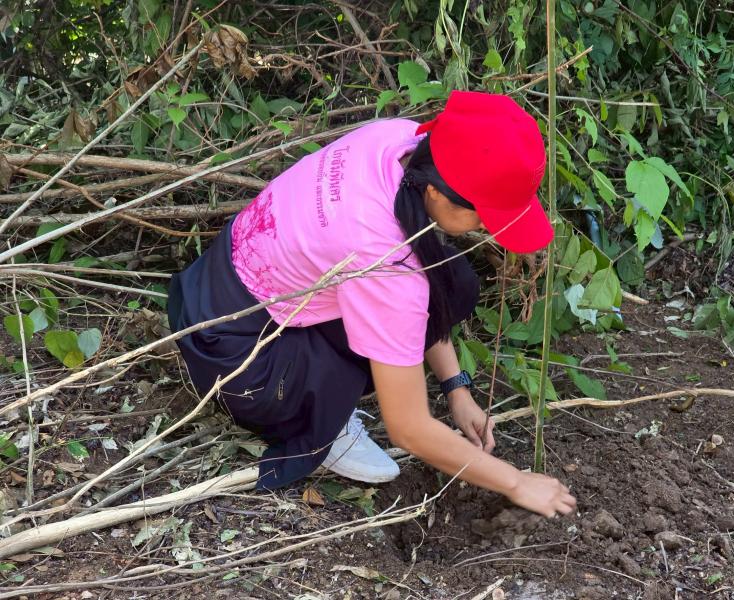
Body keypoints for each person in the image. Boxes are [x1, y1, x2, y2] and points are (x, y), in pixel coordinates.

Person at [167, 90, 577, 518]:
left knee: (452, 282)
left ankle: (320, 384)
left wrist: (456, 388)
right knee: (412, 304)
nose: (487, 229)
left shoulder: (400, 142)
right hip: (240, 362)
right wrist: (516, 482)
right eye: (484, 215)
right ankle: (317, 422)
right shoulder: (385, 264)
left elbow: (423, 285)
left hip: (218, 284)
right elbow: (408, 428)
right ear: (437, 193)